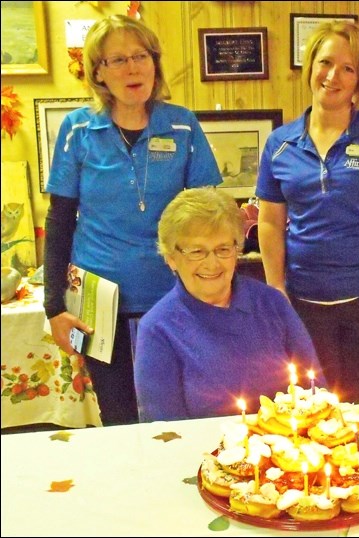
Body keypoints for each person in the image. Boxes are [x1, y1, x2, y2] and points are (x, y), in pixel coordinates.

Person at [43, 15, 222, 426]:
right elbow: (60, 221)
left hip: (174, 294)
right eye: (117, 59)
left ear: (154, 63)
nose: (132, 68)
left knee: (182, 407)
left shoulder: (182, 125)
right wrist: (54, 307)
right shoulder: (77, 129)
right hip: (98, 303)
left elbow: (206, 211)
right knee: (118, 414)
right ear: (99, 72)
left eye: (140, 56)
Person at [255, 21, 359, 404]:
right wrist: (276, 291)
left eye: (349, 68)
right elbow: (270, 223)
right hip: (304, 307)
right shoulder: (279, 144)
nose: (334, 76)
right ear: (310, 66)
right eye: (326, 62)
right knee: (312, 416)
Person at [133, 187, 326, 421]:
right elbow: (166, 431)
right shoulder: (157, 329)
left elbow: (315, 392)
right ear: (171, 258)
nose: (212, 264)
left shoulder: (273, 304)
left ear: (237, 250)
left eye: (223, 249)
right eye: (197, 251)